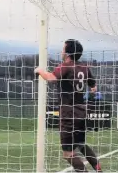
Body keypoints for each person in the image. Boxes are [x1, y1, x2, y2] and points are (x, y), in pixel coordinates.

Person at [34, 39, 102, 172]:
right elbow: (93, 87)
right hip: (81, 112)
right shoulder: (84, 68)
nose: (61, 51)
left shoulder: (65, 66)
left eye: (63, 49)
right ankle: (99, 170)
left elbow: (51, 78)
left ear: (68, 53)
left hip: (68, 114)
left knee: (68, 154)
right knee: (81, 144)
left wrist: (39, 70)